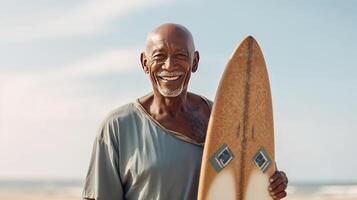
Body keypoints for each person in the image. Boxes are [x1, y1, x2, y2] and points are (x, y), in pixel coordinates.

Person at [82, 23, 288, 200]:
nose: (169, 65)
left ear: (195, 61)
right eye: (159, 56)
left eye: (180, 55)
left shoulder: (225, 118)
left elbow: (252, 173)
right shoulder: (118, 126)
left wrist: (273, 183)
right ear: (145, 63)